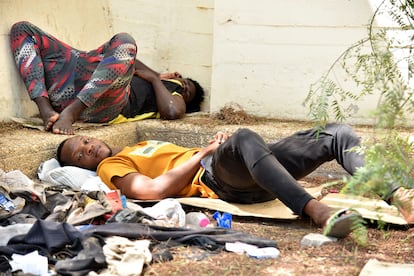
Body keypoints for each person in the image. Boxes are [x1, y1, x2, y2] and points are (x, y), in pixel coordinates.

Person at [55, 123, 414, 236]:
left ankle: (400, 195)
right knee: (243, 138)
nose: (87, 148)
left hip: (244, 168)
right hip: (217, 180)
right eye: (79, 154)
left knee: (336, 133)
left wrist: (218, 146)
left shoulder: (142, 143)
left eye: (84, 140)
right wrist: (205, 153)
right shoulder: (111, 166)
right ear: (84, 166)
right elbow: (152, 190)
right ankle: (316, 211)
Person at [10, 21, 204, 135]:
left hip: (103, 105)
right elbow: (127, 58)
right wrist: (157, 75)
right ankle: (46, 110)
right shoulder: (154, 76)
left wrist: (156, 82)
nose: (182, 85)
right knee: (22, 29)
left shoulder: (171, 93)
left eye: (186, 90)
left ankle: (72, 112)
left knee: (127, 40)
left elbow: (171, 111)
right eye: (184, 81)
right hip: (70, 82)